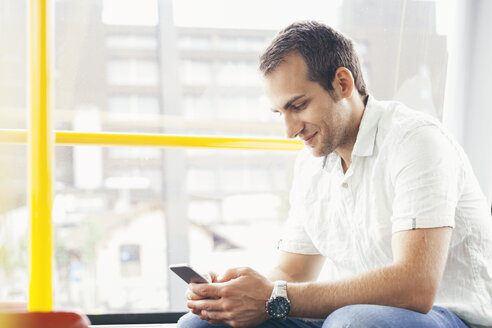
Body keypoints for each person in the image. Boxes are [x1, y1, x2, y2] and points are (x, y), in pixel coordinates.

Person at [177, 21, 492, 328]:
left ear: (343, 83)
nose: (289, 131)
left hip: (445, 315)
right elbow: (294, 272)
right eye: (280, 113)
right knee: (201, 324)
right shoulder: (311, 164)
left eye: (298, 106)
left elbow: (416, 287)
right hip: (345, 317)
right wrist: (233, 295)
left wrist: (273, 296)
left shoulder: (416, 141)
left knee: (353, 322)